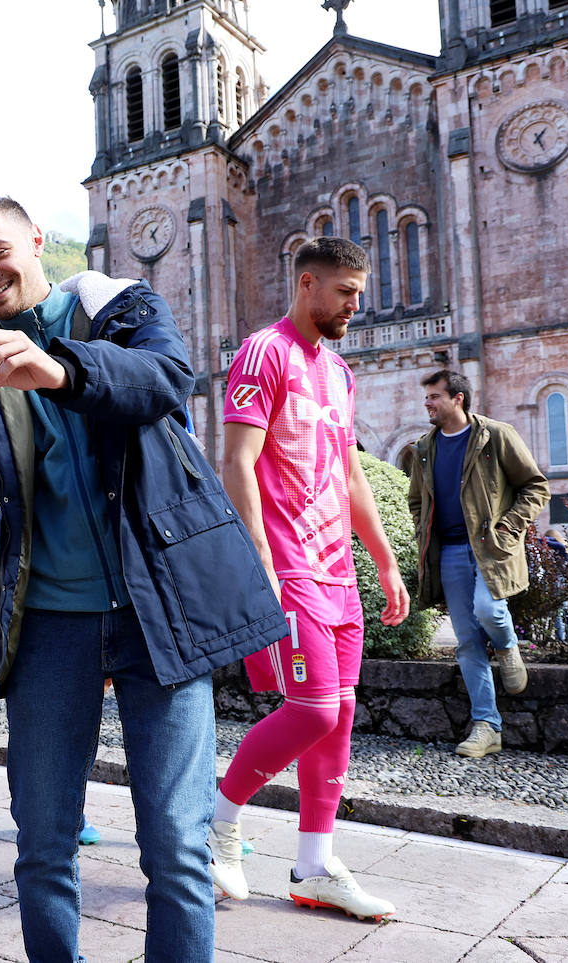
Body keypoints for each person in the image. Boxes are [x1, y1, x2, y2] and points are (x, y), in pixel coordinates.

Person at [0, 196, 284, 963]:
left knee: (176, 846)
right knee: (42, 845)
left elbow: (165, 377)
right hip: (47, 623)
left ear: (36, 239)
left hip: (158, 610)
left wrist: (60, 369)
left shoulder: (114, 304)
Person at [211, 236, 409, 921]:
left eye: (360, 291)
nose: (357, 304)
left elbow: (350, 471)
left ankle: (315, 864)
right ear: (307, 284)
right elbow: (237, 461)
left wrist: (382, 559)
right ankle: (218, 824)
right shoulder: (263, 352)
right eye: (346, 292)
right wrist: (259, 560)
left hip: (338, 573)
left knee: (341, 714)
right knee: (314, 709)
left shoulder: (340, 373)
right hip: (287, 565)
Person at [408, 369, 549, 757]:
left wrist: (509, 526)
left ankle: (507, 646)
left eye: (434, 396)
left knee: (489, 609)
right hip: (449, 551)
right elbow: (417, 500)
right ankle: (487, 726)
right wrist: (423, 532)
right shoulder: (424, 448)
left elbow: (535, 486)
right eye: (427, 397)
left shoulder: (495, 435)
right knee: (467, 642)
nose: (428, 404)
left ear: (458, 398)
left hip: (491, 547)